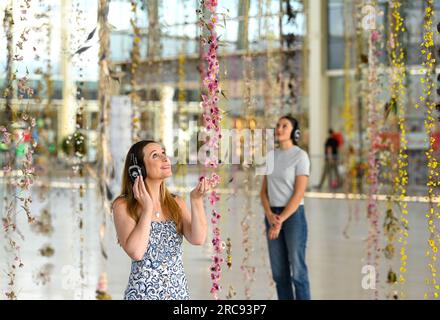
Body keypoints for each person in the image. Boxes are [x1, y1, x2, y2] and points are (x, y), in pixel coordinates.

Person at [112, 140, 208, 300]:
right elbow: (136, 252)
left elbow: (198, 238)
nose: (165, 158)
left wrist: (196, 201)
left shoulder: (176, 203)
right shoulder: (122, 205)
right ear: (138, 169)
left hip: (178, 295)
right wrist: (147, 209)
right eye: (155, 155)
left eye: (163, 153)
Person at [259, 115, 311, 300]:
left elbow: (298, 194)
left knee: (298, 272)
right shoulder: (270, 156)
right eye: (278, 125)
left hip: (293, 216)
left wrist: (280, 219)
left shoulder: (301, 156)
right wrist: (271, 216)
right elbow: (263, 192)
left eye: (284, 126)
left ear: (294, 132)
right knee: (279, 274)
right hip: (272, 215)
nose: (279, 129)